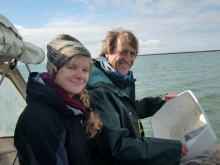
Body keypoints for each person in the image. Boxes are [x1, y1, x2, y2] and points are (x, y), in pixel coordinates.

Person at [86, 27, 188, 165]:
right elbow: (116, 147)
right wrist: (168, 148)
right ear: (107, 53)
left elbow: (126, 109)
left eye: (132, 53)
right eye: (123, 52)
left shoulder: (116, 79)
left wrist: (160, 102)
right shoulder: (99, 92)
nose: (128, 59)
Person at [14, 34, 102, 165]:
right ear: (54, 70)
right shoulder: (41, 117)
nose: (79, 76)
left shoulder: (74, 107)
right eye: (71, 67)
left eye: (85, 70)